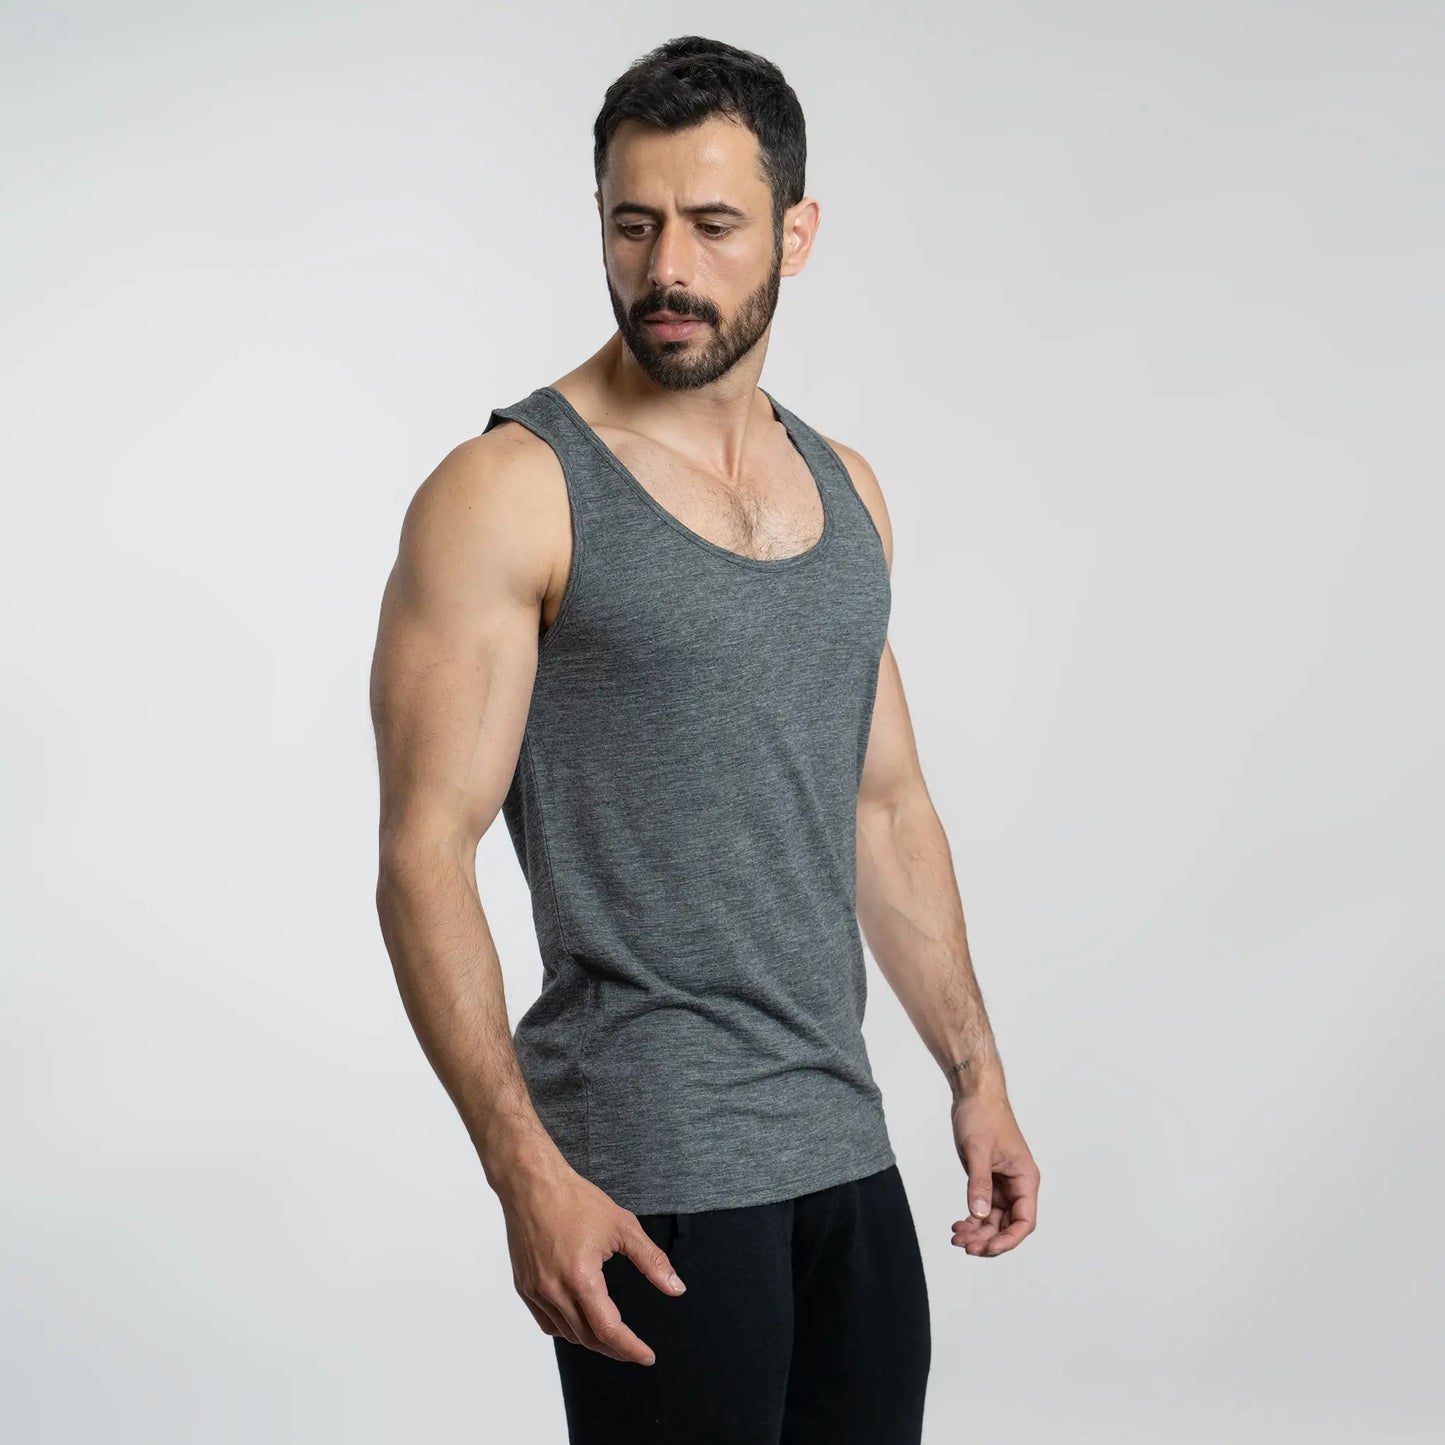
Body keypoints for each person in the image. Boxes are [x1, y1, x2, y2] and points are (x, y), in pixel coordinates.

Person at [370, 34, 1040, 1444]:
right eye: (634, 224)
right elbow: (424, 853)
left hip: (843, 1150)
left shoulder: (845, 490)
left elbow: (884, 808)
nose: (666, 267)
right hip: (652, 1171)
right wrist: (523, 1170)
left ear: (795, 233)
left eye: (713, 224)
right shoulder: (512, 491)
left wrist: (975, 1077)